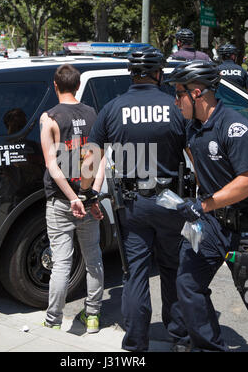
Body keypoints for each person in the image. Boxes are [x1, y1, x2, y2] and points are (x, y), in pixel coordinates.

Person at [74, 47, 190, 352]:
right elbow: (195, 156)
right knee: (172, 268)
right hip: (171, 201)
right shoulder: (175, 107)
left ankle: (136, 344)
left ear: (132, 73)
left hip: (132, 203)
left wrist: (86, 193)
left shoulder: (113, 108)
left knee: (135, 272)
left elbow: (89, 156)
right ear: (158, 73)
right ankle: (179, 337)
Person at [165, 60, 248, 352]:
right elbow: (204, 173)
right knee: (188, 285)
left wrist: (204, 204)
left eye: (179, 94)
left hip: (244, 228)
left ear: (198, 93)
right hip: (212, 224)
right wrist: (197, 203)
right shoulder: (194, 129)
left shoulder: (235, 127)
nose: (175, 100)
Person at [40, 64, 104, 333]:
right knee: (93, 258)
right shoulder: (93, 114)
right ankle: (92, 316)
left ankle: (53, 320)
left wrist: (72, 198)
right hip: (87, 198)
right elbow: (100, 159)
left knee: (62, 262)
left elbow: (52, 165)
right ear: (78, 86)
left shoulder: (50, 117)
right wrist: (91, 195)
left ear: (55, 86)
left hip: (60, 200)